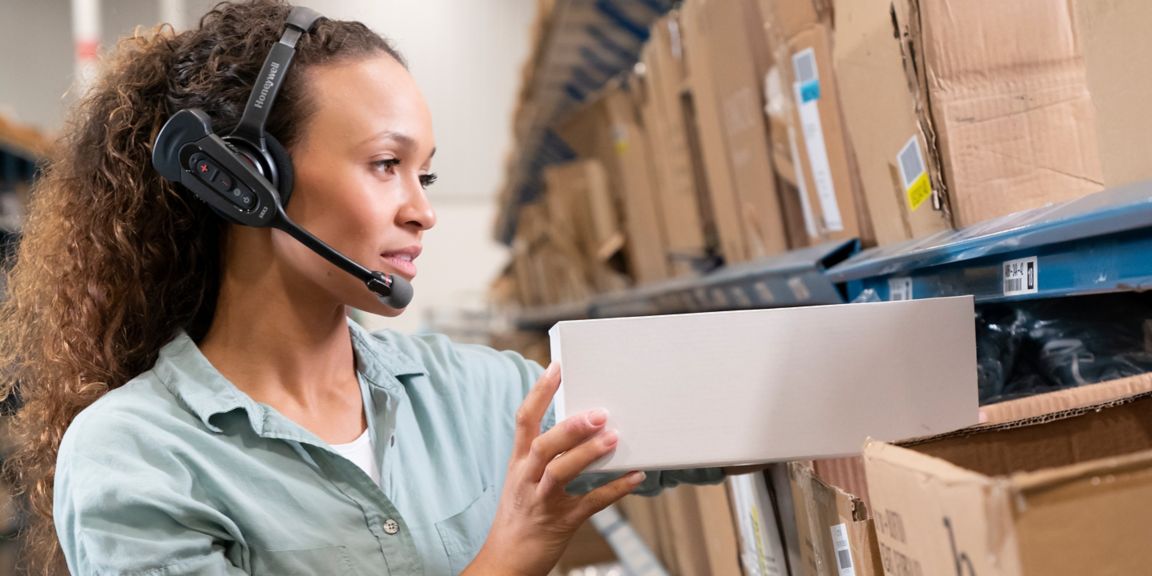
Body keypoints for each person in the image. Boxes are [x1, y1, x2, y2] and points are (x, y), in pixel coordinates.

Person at [0, 2, 723, 574]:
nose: (423, 210)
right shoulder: (137, 456)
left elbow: (698, 415)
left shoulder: (468, 393)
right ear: (247, 181)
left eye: (426, 174)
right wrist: (508, 557)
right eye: (385, 164)